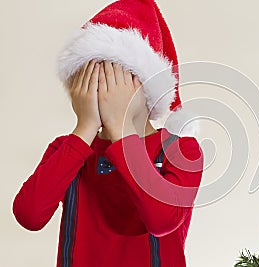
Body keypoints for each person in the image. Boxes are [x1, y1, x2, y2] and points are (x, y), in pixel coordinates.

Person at [12, 0, 204, 266]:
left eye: (114, 76)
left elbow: (161, 220)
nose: (101, 88)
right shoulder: (68, 149)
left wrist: (122, 130)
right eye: (90, 76)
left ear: (146, 85)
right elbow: (29, 215)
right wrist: (85, 128)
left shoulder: (180, 149)